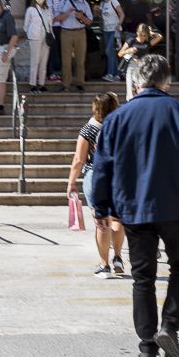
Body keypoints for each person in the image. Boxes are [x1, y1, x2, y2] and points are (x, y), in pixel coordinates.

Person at [85, 54, 179, 357]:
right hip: (176, 206)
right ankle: (169, 327)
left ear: (136, 82)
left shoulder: (117, 119)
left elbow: (103, 165)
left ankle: (147, 346)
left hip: (133, 208)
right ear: (167, 81)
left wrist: (101, 207)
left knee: (143, 276)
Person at [67, 91, 126, 278]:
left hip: (96, 175)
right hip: (118, 176)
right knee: (117, 220)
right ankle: (117, 257)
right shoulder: (121, 126)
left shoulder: (88, 129)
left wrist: (71, 182)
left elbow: (79, 159)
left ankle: (104, 264)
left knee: (102, 222)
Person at [53, 0, 93, 92]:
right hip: (66, 32)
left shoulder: (84, 3)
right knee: (66, 60)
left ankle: (80, 83)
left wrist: (82, 17)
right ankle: (66, 84)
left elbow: (89, 22)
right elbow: (55, 19)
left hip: (80, 32)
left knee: (80, 60)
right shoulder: (63, 2)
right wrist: (67, 13)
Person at [21, 0, 52, 92]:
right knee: (35, 61)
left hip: (45, 38)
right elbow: (25, 25)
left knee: (44, 62)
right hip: (35, 38)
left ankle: (41, 84)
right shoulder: (30, 9)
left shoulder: (47, 10)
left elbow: (50, 23)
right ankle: (33, 84)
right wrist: (31, 34)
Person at [100, 0, 125, 82]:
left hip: (114, 30)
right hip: (106, 30)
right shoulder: (102, 3)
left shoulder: (114, 1)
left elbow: (122, 14)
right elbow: (102, 16)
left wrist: (119, 24)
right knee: (111, 53)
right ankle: (117, 74)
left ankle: (110, 73)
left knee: (109, 51)